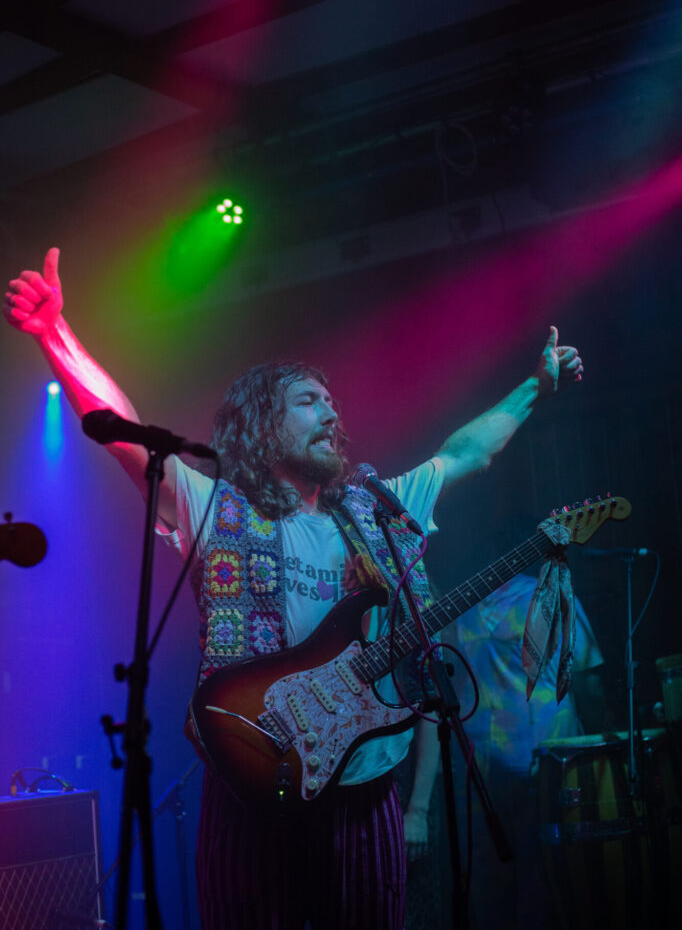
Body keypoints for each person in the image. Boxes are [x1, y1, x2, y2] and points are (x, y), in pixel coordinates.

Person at [3, 247, 584, 930]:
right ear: (264, 424)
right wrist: (56, 335)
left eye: (332, 403)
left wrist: (534, 389)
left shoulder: (377, 509)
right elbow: (123, 432)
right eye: (310, 402)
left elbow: (465, 454)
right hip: (252, 776)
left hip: (363, 788)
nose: (331, 414)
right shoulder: (213, 506)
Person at [443, 569, 606, 930]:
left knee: (490, 881)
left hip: (480, 771)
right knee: (545, 878)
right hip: (546, 765)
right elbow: (589, 681)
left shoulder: (459, 606)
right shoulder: (553, 597)